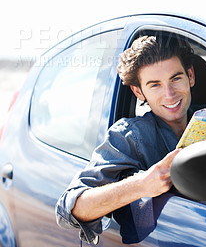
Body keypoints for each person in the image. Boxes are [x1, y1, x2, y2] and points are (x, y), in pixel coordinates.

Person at [55, 34, 195, 244]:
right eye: (155, 85)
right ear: (139, 91)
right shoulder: (129, 136)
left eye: (175, 79)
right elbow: (71, 208)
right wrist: (142, 184)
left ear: (190, 76)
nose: (169, 94)